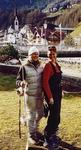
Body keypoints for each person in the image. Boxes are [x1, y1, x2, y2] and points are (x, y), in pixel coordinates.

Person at [16, 46, 44, 145]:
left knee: (41, 114)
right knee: (31, 115)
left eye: (36, 53)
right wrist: (21, 84)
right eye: (33, 54)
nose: (35, 55)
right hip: (30, 95)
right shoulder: (24, 67)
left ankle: (33, 128)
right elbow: (18, 81)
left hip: (40, 95)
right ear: (29, 55)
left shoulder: (41, 66)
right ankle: (31, 135)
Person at [43, 46, 62, 148]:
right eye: (50, 54)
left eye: (53, 53)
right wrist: (49, 97)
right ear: (47, 54)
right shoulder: (48, 65)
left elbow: (58, 81)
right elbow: (45, 83)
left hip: (58, 94)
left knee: (57, 115)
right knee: (53, 116)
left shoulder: (57, 65)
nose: (51, 55)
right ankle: (47, 138)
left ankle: (53, 134)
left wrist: (61, 91)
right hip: (52, 95)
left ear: (56, 54)